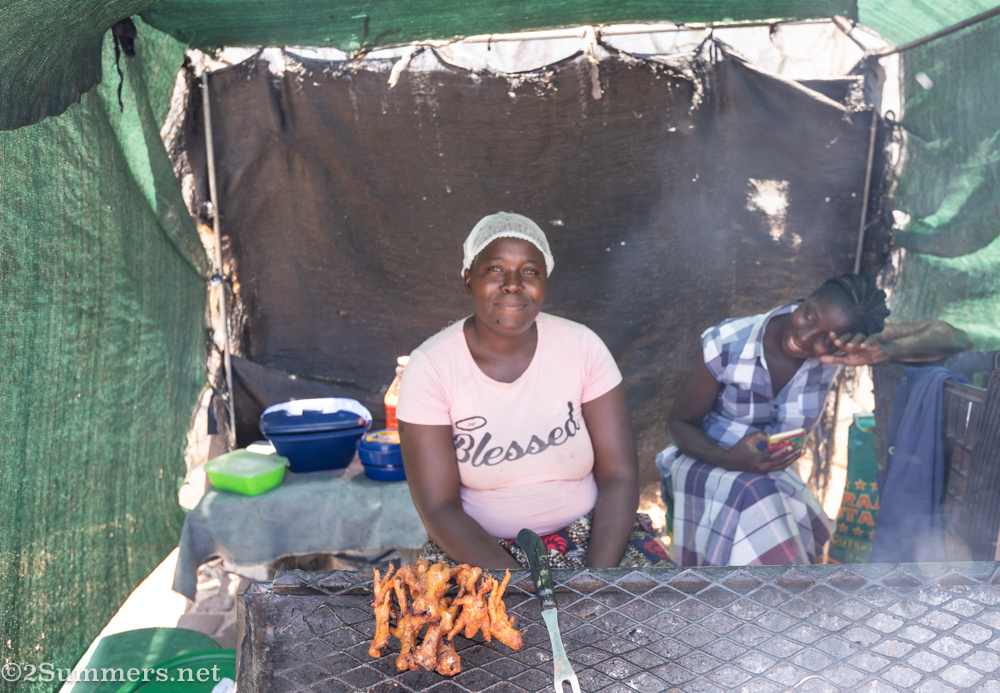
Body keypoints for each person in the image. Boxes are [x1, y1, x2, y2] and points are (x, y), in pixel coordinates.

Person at [397, 212, 673, 569]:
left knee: (665, 616)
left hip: (594, 539)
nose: (513, 283)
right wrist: (520, 592)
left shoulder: (582, 347)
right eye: (495, 269)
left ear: (544, 283)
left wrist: (596, 580)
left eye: (530, 271)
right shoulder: (432, 367)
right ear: (468, 280)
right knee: (457, 624)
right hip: (479, 555)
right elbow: (439, 507)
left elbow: (619, 476)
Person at [658, 274, 972, 567]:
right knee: (757, 494)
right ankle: (786, 605)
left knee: (776, 500)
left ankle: (770, 609)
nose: (805, 338)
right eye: (808, 316)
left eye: (827, 339)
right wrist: (728, 457)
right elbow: (678, 424)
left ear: (845, 344)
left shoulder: (837, 354)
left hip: (773, 478)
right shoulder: (730, 341)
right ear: (807, 299)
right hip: (702, 463)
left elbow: (955, 338)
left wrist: (885, 351)